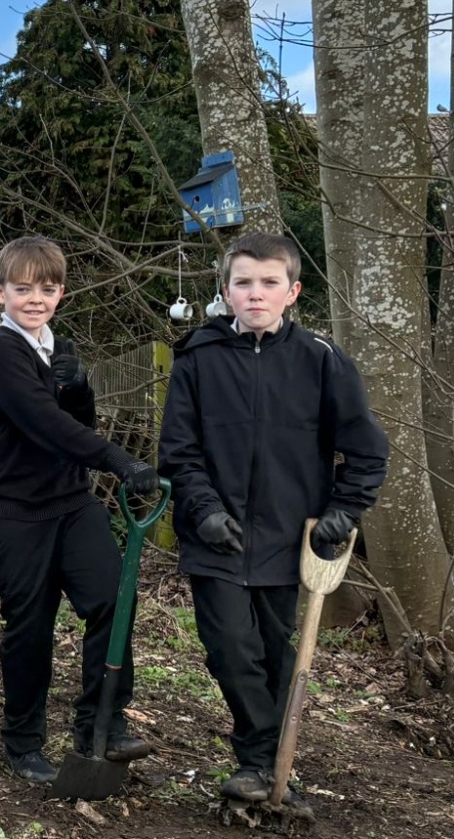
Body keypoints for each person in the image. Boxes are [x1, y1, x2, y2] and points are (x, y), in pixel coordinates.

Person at [157, 230, 387, 806]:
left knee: (275, 651)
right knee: (230, 647)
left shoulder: (321, 362)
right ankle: (260, 753)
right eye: (243, 283)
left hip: (291, 539)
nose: (255, 294)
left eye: (269, 283)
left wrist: (343, 511)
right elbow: (178, 451)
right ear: (226, 291)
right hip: (218, 537)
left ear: (292, 291)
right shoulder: (197, 360)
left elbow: (366, 449)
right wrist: (204, 510)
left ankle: (263, 765)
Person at [0, 235, 160, 784]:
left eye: (47, 288)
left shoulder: (54, 347)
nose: (36, 298)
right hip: (13, 511)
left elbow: (77, 419)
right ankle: (23, 741)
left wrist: (78, 386)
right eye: (23, 288)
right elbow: (45, 425)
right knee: (31, 625)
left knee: (111, 600)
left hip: (71, 504)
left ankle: (101, 721)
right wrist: (119, 461)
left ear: (61, 293)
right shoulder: (1, 352)